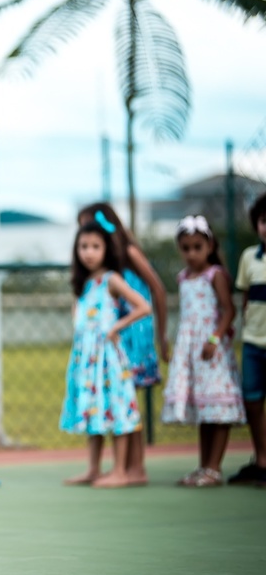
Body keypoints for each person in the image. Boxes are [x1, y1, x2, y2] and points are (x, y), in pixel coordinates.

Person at [77, 202, 170, 486]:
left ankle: (135, 468)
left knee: (128, 398)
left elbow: (157, 288)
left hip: (133, 332)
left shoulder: (128, 253)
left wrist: (161, 335)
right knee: (122, 396)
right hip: (115, 333)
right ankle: (125, 467)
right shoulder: (108, 263)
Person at [60, 219, 151, 488]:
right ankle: (93, 468)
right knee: (94, 410)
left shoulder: (111, 280)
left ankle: (121, 470)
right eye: (83, 246)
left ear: (106, 250)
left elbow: (143, 306)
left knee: (117, 409)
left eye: (95, 246)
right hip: (87, 361)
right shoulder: (83, 284)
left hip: (108, 359)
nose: (88, 252)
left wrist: (117, 327)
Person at [161, 215, 245, 486]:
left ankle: (214, 468)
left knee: (217, 409)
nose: (191, 253)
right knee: (204, 409)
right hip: (192, 352)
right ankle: (203, 466)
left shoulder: (215, 275)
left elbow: (228, 310)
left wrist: (215, 338)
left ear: (209, 246)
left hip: (212, 351)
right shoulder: (183, 277)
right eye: (185, 248)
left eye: (197, 247)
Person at [231, 192, 266, 486]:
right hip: (254, 342)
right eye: (265, 221)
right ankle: (261, 459)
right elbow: (245, 298)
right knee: (252, 402)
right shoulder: (248, 259)